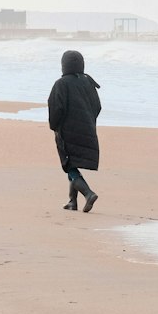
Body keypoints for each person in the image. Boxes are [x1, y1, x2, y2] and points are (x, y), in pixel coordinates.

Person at [48, 49, 101, 212]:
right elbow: (97, 106)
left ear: (64, 65)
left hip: (67, 131)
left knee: (69, 164)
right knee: (73, 162)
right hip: (88, 129)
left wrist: (54, 126)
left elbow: (56, 108)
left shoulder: (61, 84)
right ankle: (72, 201)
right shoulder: (88, 81)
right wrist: (89, 121)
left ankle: (88, 193)